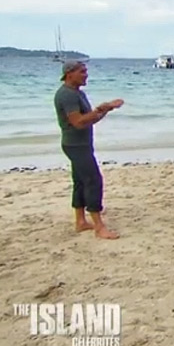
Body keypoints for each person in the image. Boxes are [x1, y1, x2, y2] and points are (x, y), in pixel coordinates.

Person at [53, 60, 123, 240]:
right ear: (70, 74)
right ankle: (99, 227)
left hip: (82, 144)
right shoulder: (66, 95)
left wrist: (106, 110)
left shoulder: (78, 94)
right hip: (74, 145)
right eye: (82, 72)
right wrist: (102, 107)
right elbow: (78, 122)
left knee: (80, 181)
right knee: (94, 181)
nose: (86, 75)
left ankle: (80, 221)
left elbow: (90, 119)